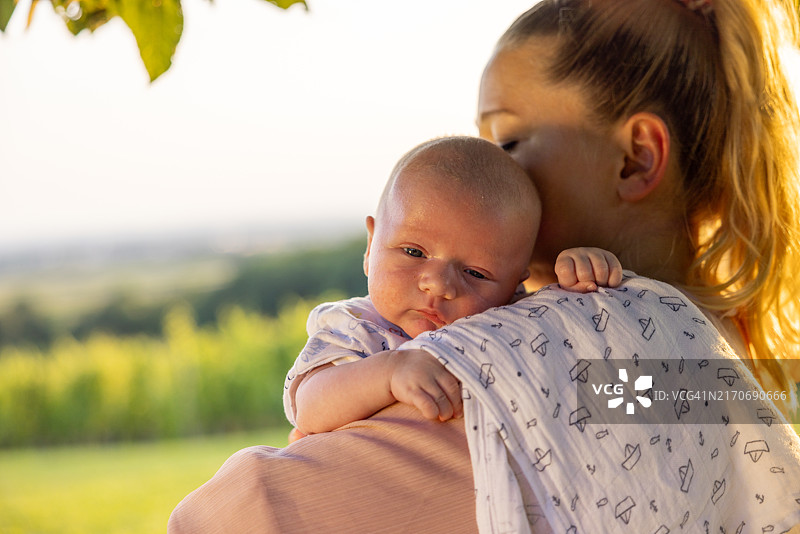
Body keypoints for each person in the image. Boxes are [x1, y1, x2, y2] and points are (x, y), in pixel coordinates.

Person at [168, 0, 800, 532]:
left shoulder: (538, 357)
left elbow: (252, 515)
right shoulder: (707, 358)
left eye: (506, 140)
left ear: (635, 157)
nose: (487, 170)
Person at [284, 136, 622, 439]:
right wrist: (389, 373)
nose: (439, 285)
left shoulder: (505, 315)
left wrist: (575, 282)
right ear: (371, 247)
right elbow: (309, 405)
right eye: (414, 252)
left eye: (475, 273)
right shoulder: (356, 327)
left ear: (515, 286)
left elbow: (601, 382)